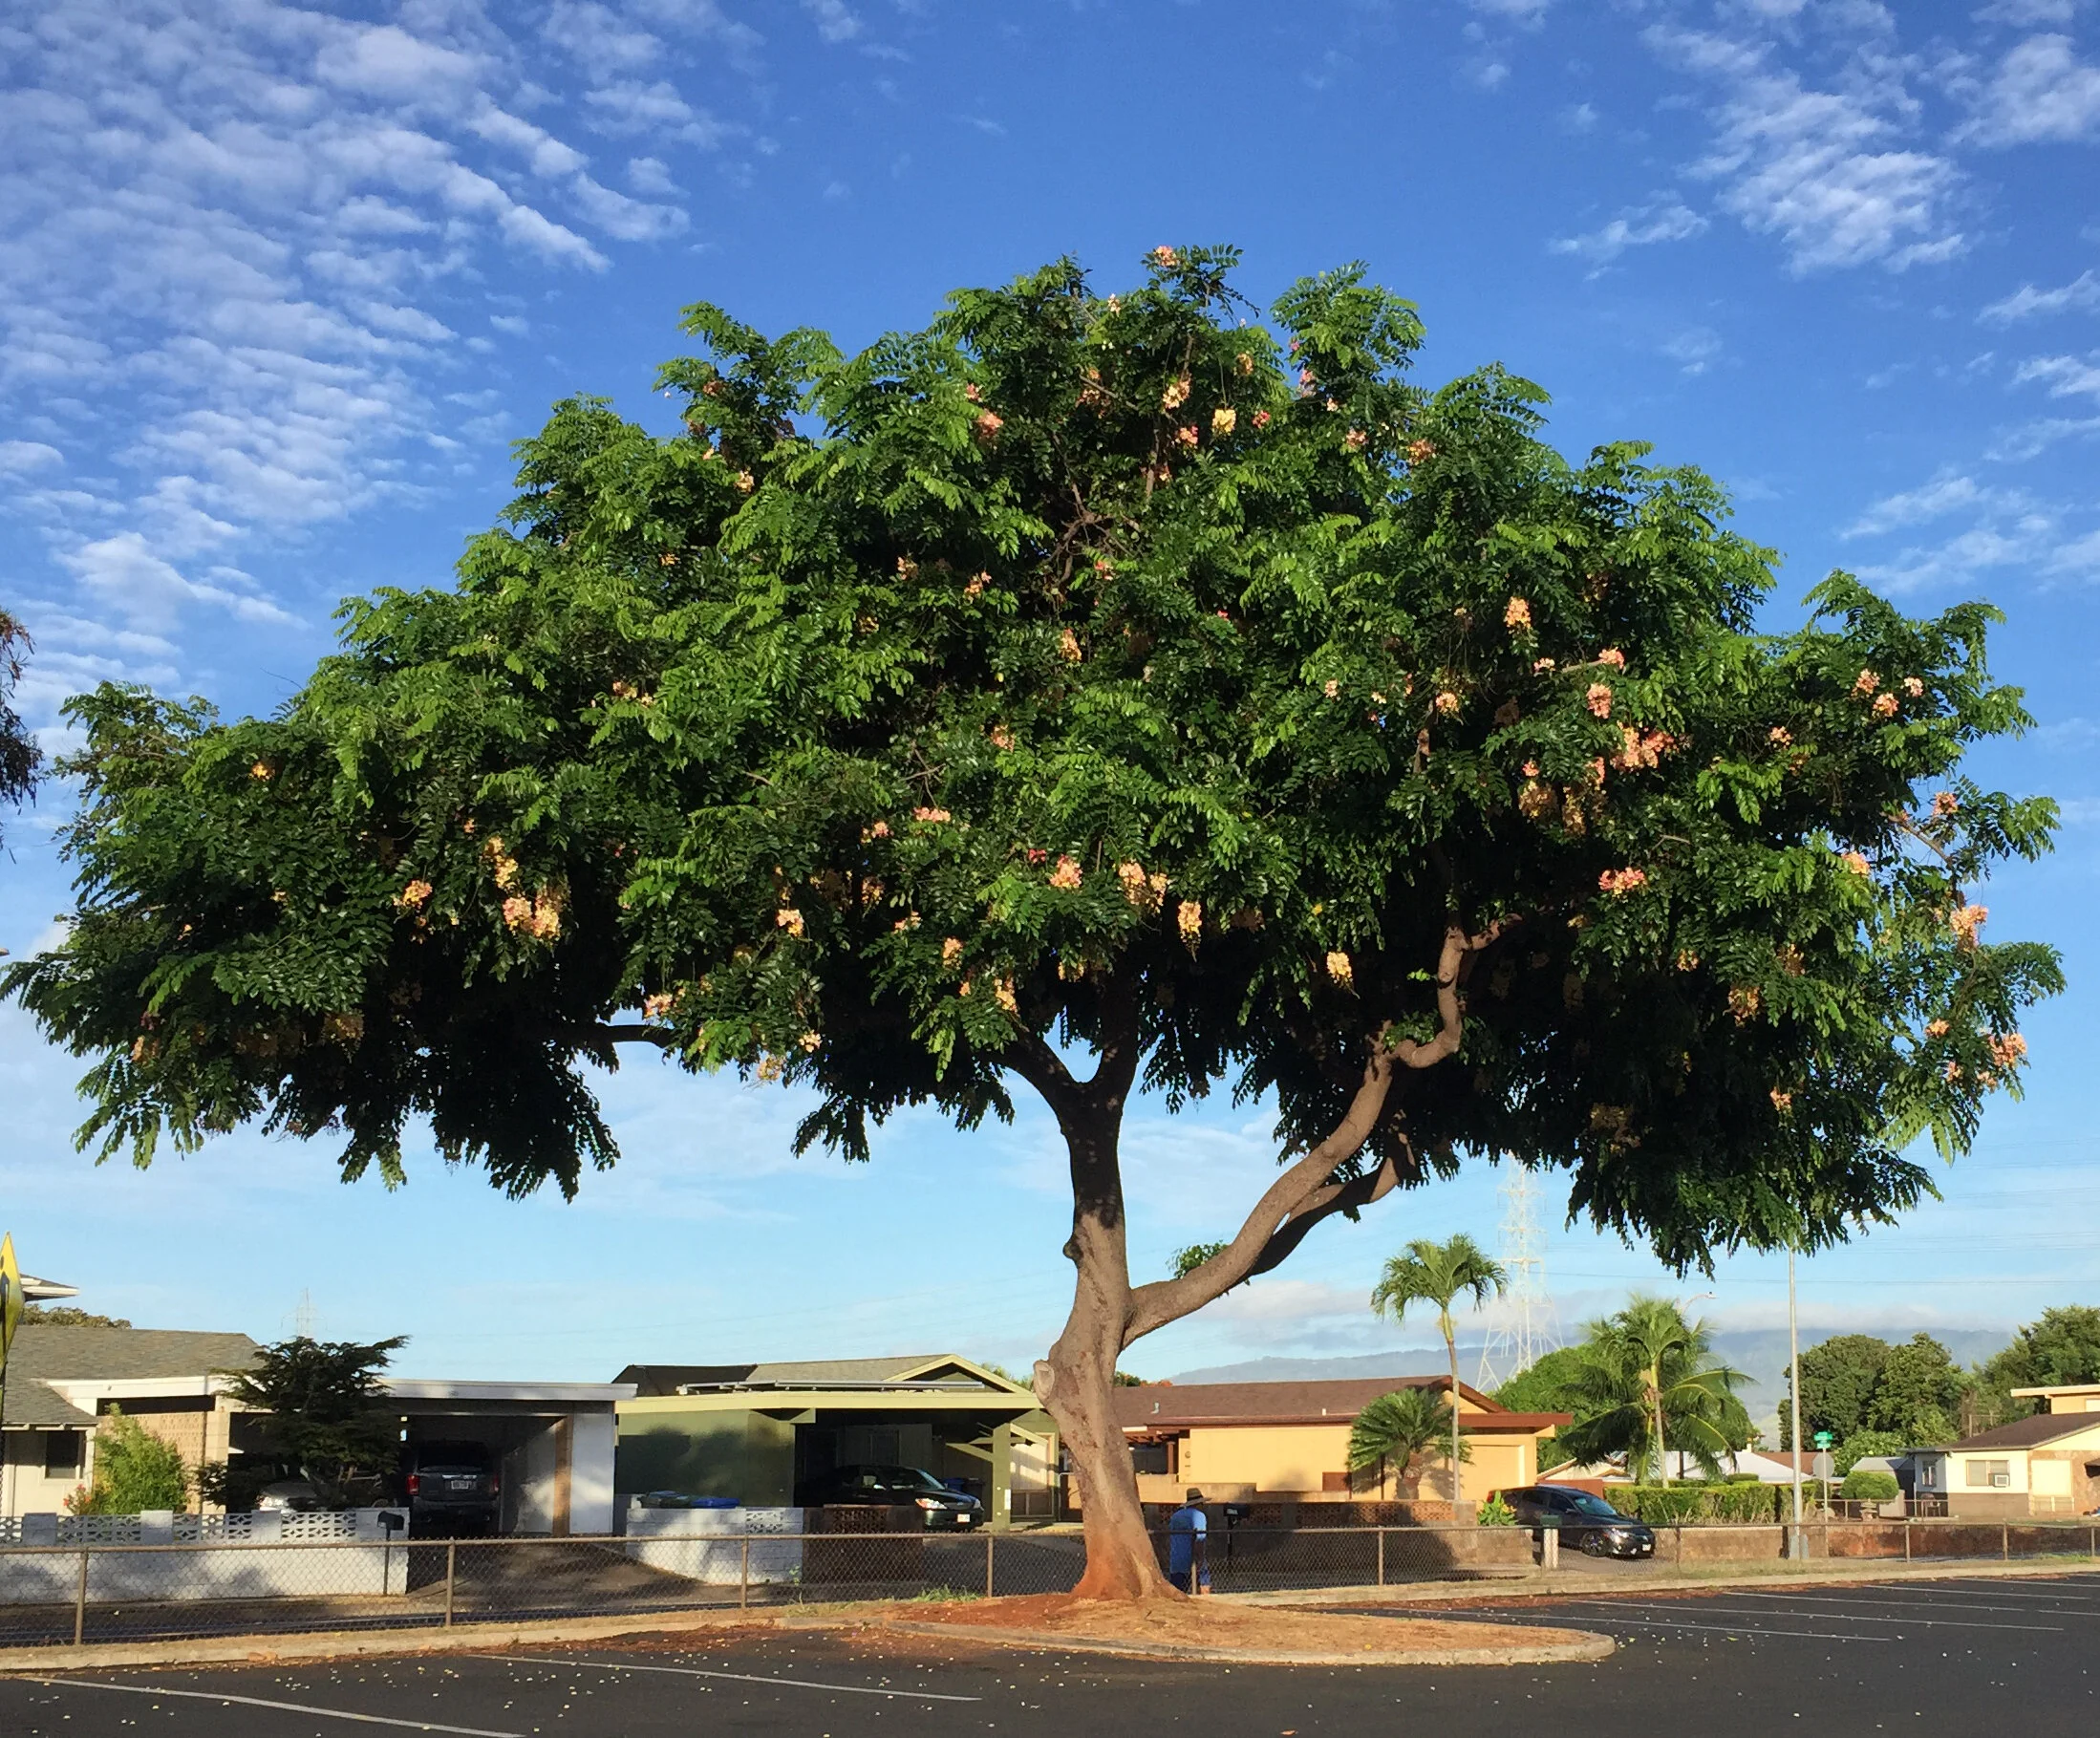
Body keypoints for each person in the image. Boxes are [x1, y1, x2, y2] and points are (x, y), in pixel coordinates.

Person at [1167, 1488, 1211, 1594]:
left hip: (1176, 1559)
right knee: (1204, 1585)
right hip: (1193, 1558)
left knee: (1178, 1591)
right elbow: (1200, 1538)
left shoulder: (1175, 1516)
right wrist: (1200, 1559)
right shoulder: (1199, 1516)